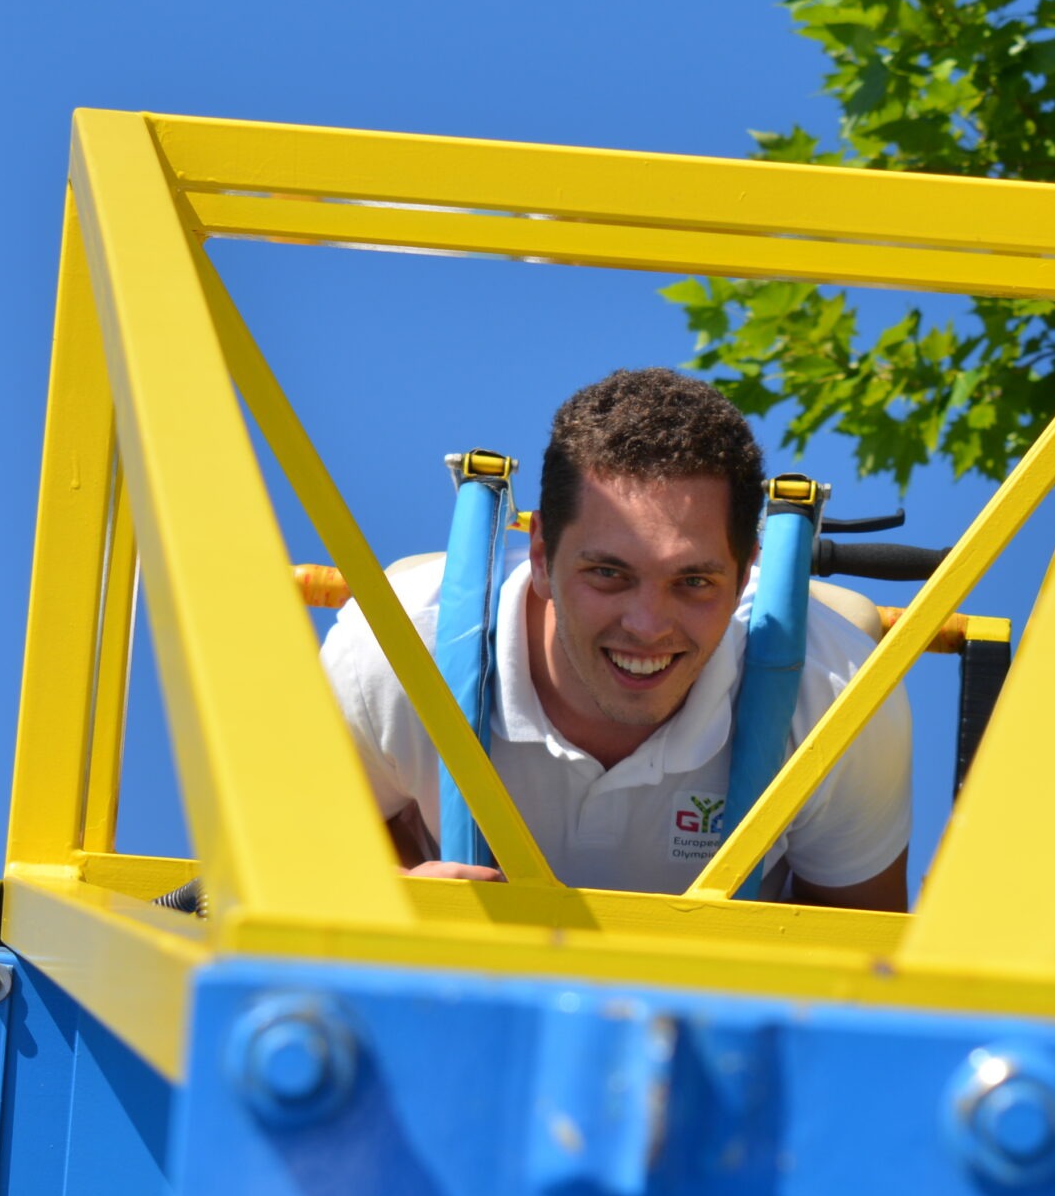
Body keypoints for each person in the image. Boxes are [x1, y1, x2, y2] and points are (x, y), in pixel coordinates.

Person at [320, 368, 911, 911]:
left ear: (743, 578)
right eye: (608, 573)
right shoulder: (392, 656)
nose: (648, 625)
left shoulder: (837, 700)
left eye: (694, 582)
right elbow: (281, 866)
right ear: (542, 556)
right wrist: (386, 895)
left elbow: (864, 948)